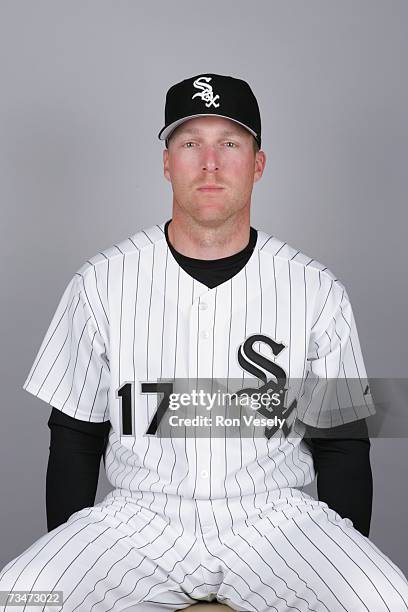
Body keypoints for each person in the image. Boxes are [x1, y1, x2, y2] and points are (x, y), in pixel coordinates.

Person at [1, 73, 407, 612]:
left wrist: (343, 559)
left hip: (275, 522)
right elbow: (76, 437)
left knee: (383, 598)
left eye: (230, 144)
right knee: (21, 596)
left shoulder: (315, 288)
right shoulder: (101, 280)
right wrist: (67, 552)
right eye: (191, 143)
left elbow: (344, 444)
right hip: (138, 523)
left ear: (258, 164)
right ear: (167, 163)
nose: (210, 162)